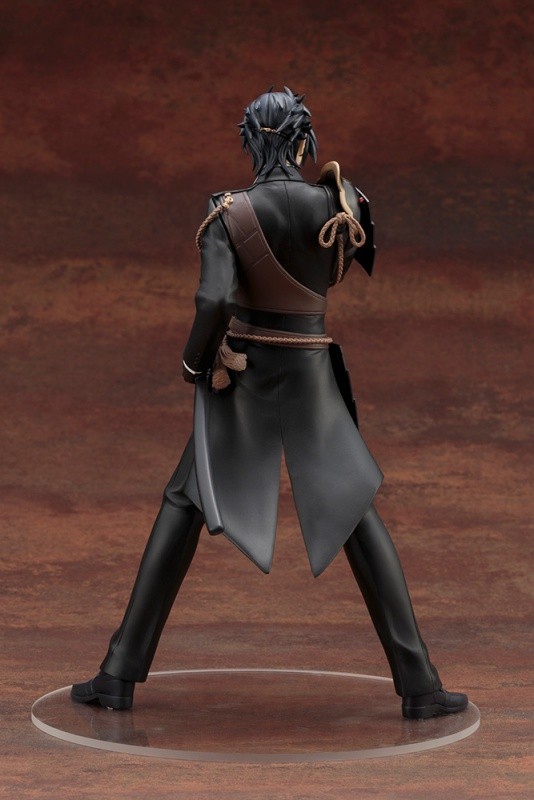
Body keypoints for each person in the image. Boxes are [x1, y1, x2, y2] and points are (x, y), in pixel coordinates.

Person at [72, 88, 468, 720]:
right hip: (310, 375)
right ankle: (419, 684)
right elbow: (347, 264)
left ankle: (118, 674)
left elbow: (214, 300)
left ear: (249, 143)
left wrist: (194, 362)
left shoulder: (227, 211)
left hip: (244, 377)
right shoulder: (341, 203)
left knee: (183, 502)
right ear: (304, 142)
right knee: (355, 511)